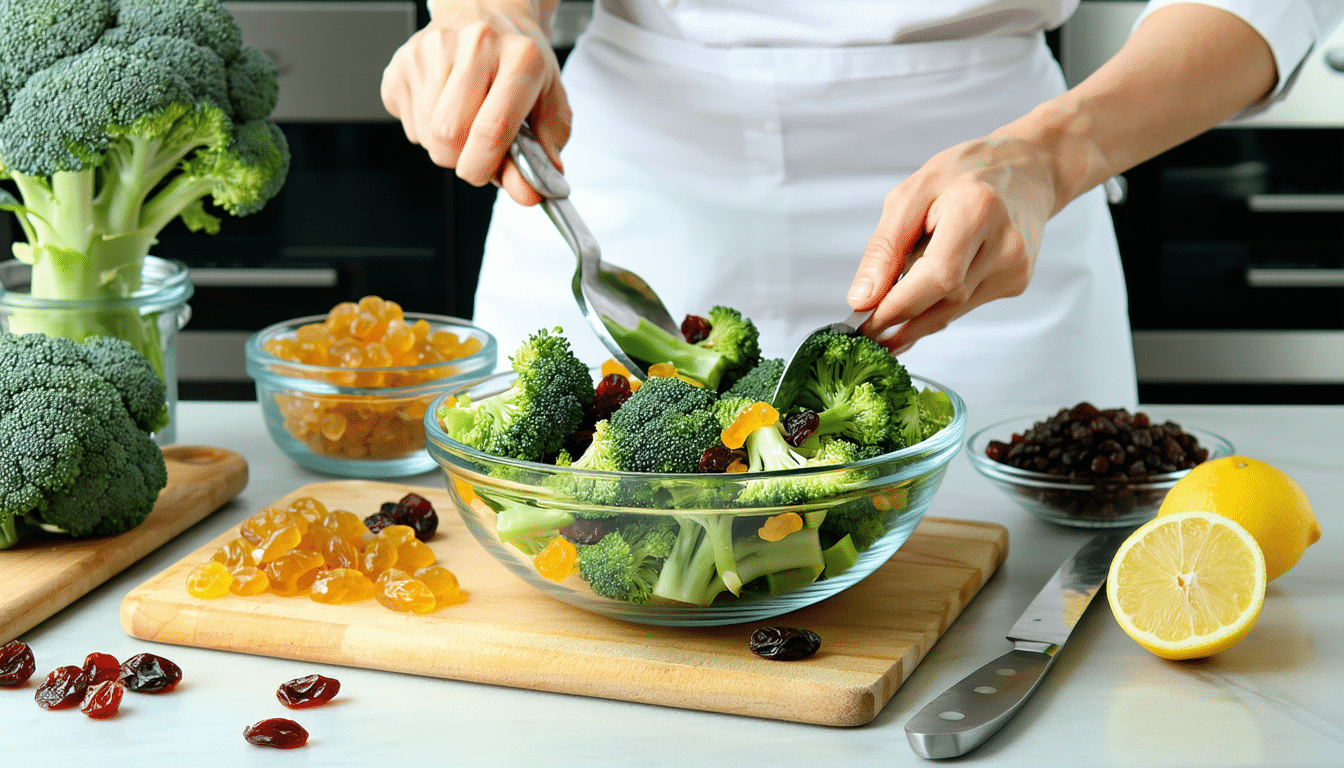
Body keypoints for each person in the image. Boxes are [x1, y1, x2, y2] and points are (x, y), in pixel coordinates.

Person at [381, 0, 1343, 411]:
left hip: (996, 201)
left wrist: (1052, 157)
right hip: (624, 166)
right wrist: (485, 21)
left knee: (1028, 643)